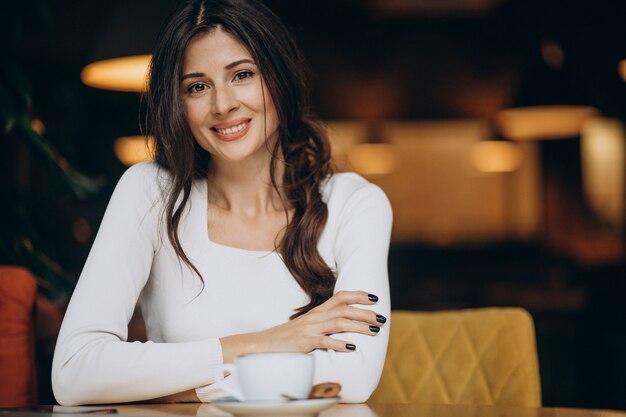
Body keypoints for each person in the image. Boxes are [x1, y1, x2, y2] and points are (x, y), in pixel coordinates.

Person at [52, 0, 392, 406]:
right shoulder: (150, 193)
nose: (222, 104)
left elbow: (353, 377)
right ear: (178, 104)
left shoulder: (354, 203)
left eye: (242, 75)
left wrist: (175, 387)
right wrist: (269, 342)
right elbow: (74, 373)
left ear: (278, 78)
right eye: (197, 86)